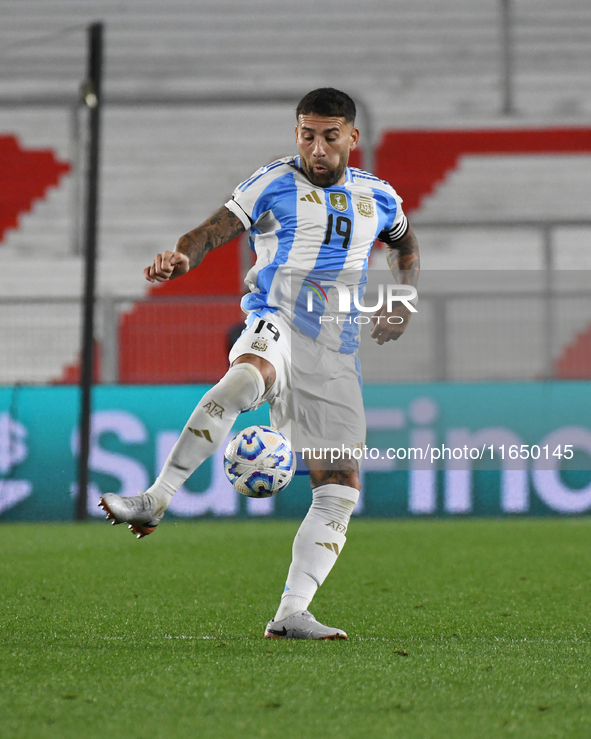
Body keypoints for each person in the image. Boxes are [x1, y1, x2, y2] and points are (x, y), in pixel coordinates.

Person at [99, 88, 420, 640]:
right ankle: (156, 499)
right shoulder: (272, 182)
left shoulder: (378, 196)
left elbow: (405, 246)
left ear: (352, 137)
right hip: (278, 320)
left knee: (340, 485)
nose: (316, 147)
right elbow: (211, 231)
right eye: (306, 134)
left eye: (329, 135)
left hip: (335, 350)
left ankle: (291, 613)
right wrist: (183, 255)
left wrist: (403, 297)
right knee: (248, 377)